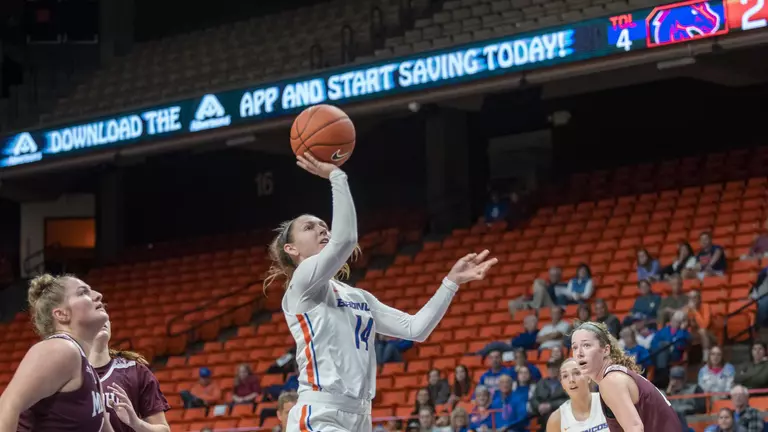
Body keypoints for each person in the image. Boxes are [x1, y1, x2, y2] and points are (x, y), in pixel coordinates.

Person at [264, 154, 498, 432]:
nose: (321, 228)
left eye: (323, 225)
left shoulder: (359, 298)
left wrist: (451, 282)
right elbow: (347, 239)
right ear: (292, 250)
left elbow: (416, 329)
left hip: (360, 415)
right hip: (320, 413)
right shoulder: (301, 285)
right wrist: (337, 177)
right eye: (309, 226)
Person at [0, 274, 112, 432]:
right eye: (83, 292)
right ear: (62, 314)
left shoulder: (90, 372)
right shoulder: (60, 349)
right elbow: (6, 406)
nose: (98, 295)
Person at [570, 321, 682, 432]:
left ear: (605, 350)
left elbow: (635, 428)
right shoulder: (617, 375)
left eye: (586, 345)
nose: (579, 353)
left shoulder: (611, 381)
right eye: (574, 347)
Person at [89, 320, 170, 432]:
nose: (101, 317)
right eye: (94, 309)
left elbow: (164, 430)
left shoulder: (135, 371)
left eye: (102, 310)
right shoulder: (64, 374)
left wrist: (136, 424)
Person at [546, 358, 607, 432]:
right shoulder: (556, 419)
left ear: (588, 378)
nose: (571, 380)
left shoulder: (607, 401)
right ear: (562, 385)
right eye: (565, 376)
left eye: (577, 373)